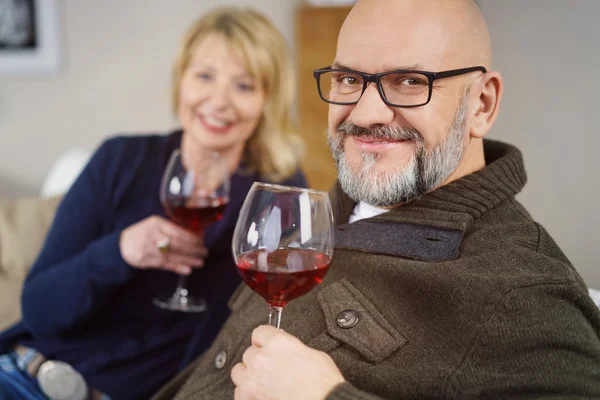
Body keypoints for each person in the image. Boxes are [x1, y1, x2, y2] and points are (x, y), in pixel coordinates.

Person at [152, 0, 600, 399]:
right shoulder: (332, 206)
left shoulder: (523, 296)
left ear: (482, 104)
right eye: (349, 78)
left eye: (409, 81)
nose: (365, 114)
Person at [0, 6, 306, 400]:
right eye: (204, 76)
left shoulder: (276, 194)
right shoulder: (119, 159)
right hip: (25, 376)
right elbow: (40, 311)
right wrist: (120, 251)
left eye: (244, 86)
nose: (220, 100)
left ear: (268, 100)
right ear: (181, 81)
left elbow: (255, 328)